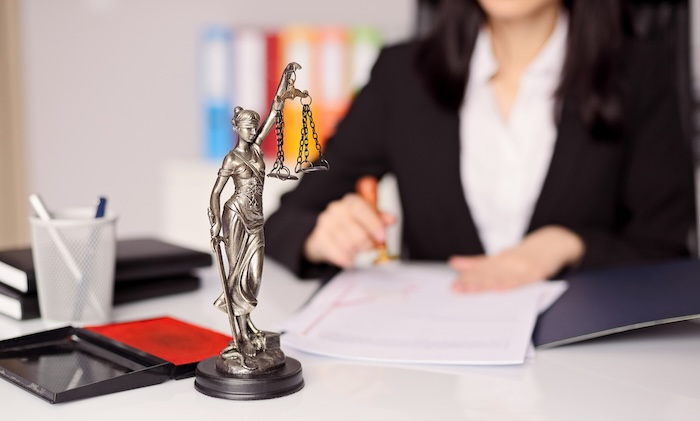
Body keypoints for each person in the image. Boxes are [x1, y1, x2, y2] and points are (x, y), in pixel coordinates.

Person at [264, 0, 697, 292]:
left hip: (590, 371)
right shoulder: (403, 76)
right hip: (438, 370)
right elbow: (285, 221)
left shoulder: (642, 75)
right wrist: (320, 237)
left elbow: (668, 254)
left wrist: (568, 244)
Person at [208, 62, 304, 371]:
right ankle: (243, 332)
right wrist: (215, 224)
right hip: (235, 217)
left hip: (257, 220)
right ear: (236, 128)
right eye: (247, 127)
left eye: (254, 126)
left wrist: (285, 80)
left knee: (253, 275)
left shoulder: (258, 151)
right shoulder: (232, 158)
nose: (252, 131)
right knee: (237, 276)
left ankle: (248, 327)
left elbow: (275, 113)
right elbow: (216, 192)